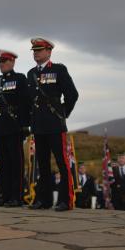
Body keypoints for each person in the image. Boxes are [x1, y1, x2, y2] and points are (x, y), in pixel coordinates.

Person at [26, 37, 79, 211]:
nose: (36, 53)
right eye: (34, 50)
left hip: (55, 125)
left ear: (49, 52)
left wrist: (63, 114)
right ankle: (44, 200)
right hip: (38, 126)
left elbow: (72, 95)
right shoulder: (31, 73)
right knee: (43, 164)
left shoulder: (58, 70)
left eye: (39, 50)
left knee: (62, 163)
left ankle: (66, 200)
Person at [0, 49, 30, 207]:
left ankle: (17, 196)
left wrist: (25, 125)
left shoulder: (20, 79)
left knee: (16, 163)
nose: (2, 64)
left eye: (4, 61)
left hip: (14, 128)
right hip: (0, 129)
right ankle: (5, 195)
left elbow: (25, 103)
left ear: (12, 62)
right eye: (0, 62)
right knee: (4, 163)